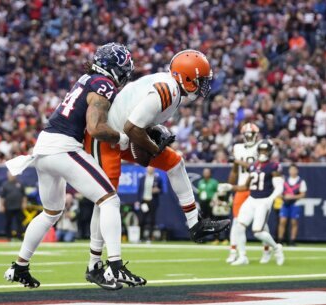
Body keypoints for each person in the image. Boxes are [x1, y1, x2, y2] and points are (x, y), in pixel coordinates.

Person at [4, 43, 144, 291]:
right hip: (62, 147)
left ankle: (20, 266)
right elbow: (95, 128)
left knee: (51, 212)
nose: (124, 73)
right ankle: (114, 265)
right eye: (123, 68)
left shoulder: (87, 78)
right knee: (109, 200)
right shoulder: (104, 83)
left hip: (44, 147)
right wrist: (123, 138)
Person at [83, 49, 230, 273]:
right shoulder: (167, 91)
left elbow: (136, 125)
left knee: (175, 162)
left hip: (123, 135)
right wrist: (152, 148)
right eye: (200, 80)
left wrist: (152, 138)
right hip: (107, 139)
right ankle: (95, 264)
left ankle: (195, 224)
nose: (204, 85)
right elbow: (131, 128)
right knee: (106, 201)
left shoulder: (170, 87)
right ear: (186, 78)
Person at [220, 140, 285, 266]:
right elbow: (245, 186)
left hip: (263, 200)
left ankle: (276, 248)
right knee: (239, 225)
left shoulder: (274, 166)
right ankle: (242, 256)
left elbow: (279, 187)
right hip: (252, 199)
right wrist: (230, 187)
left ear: (270, 152)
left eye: (265, 150)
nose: (263, 153)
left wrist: (270, 199)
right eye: (261, 150)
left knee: (258, 232)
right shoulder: (254, 166)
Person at [226, 123, 269, 263]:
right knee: (237, 222)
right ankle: (235, 252)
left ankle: (267, 250)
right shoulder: (237, 148)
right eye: (246, 134)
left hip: (256, 187)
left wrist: (237, 161)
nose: (248, 137)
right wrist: (230, 185)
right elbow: (234, 169)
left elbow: (256, 167)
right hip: (241, 187)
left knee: (261, 223)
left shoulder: (261, 146)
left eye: (251, 134)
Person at [277, 164, 307, 246]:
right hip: (285, 203)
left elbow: (303, 194)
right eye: (291, 169)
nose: (292, 171)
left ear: (297, 171)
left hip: (295, 203)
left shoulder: (301, 181)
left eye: (294, 169)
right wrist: (284, 197)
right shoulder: (284, 180)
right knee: (282, 221)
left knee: (294, 222)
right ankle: (280, 240)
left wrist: (292, 197)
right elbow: (278, 192)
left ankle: (292, 240)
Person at [137, 166, 162, 241]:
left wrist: (157, 190)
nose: (150, 169)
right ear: (146, 169)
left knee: (152, 220)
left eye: (151, 168)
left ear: (154, 169)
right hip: (144, 201)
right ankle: (141, 237)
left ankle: (150, 237)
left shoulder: (158, 178)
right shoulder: (142, 178)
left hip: (153, 201)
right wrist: (138, 201)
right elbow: (139, 191)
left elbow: (162, 190)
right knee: (142, 220)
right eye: (149, 168)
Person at [0, 172, 27, 241]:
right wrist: (2, 205)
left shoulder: (20, 184)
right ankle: (8, 236)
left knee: (19, 222)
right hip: (8, 206)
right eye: (10, 175)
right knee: (8, 222)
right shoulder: (5, 185)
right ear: (7, 175)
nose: (12, 176)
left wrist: (24, 203)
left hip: (18, 206)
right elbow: (2, 197)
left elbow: (24, 195)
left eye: (13, 174)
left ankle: (20, 236)